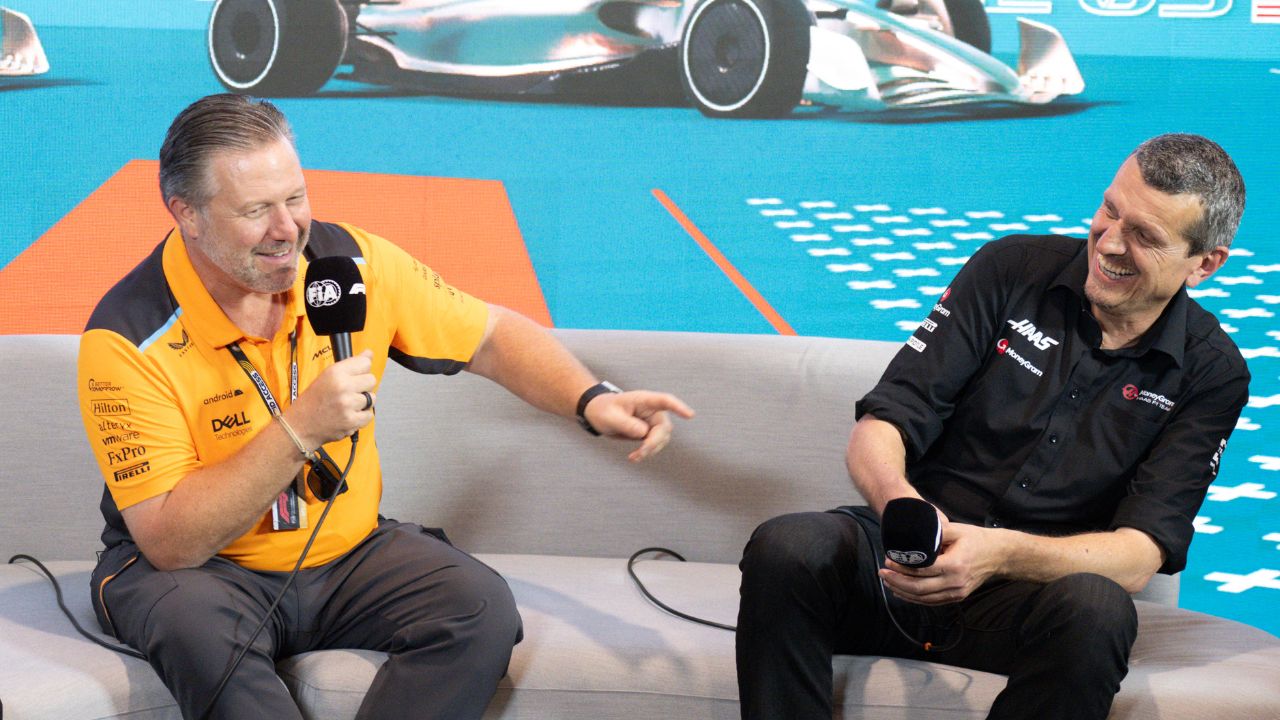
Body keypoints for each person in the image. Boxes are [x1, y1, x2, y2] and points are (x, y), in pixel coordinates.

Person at [76, 93, 694, 720]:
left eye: (295, 198)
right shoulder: (127, 336)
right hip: (203, 572)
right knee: (198, 634)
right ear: (186, 213)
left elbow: (490, 336)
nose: (287, 229)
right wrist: (301, 429)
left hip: (345, 556)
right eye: (256, 210)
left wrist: (590, 399)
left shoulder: (350, 267)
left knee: (477, 606)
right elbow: (171, 543)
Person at [736, 133, 1249, 720]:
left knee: (1098, 610)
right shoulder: (1011, 268)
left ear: (1205, 263)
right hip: (904, 559)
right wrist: (905, 509)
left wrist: (996, 554)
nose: (1108, 243)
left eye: (1145, 236)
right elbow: (886, 422)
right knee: (790, 545)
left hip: (1025, 595)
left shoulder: (1213, 373)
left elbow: (1137, 556)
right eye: (1110, 210)